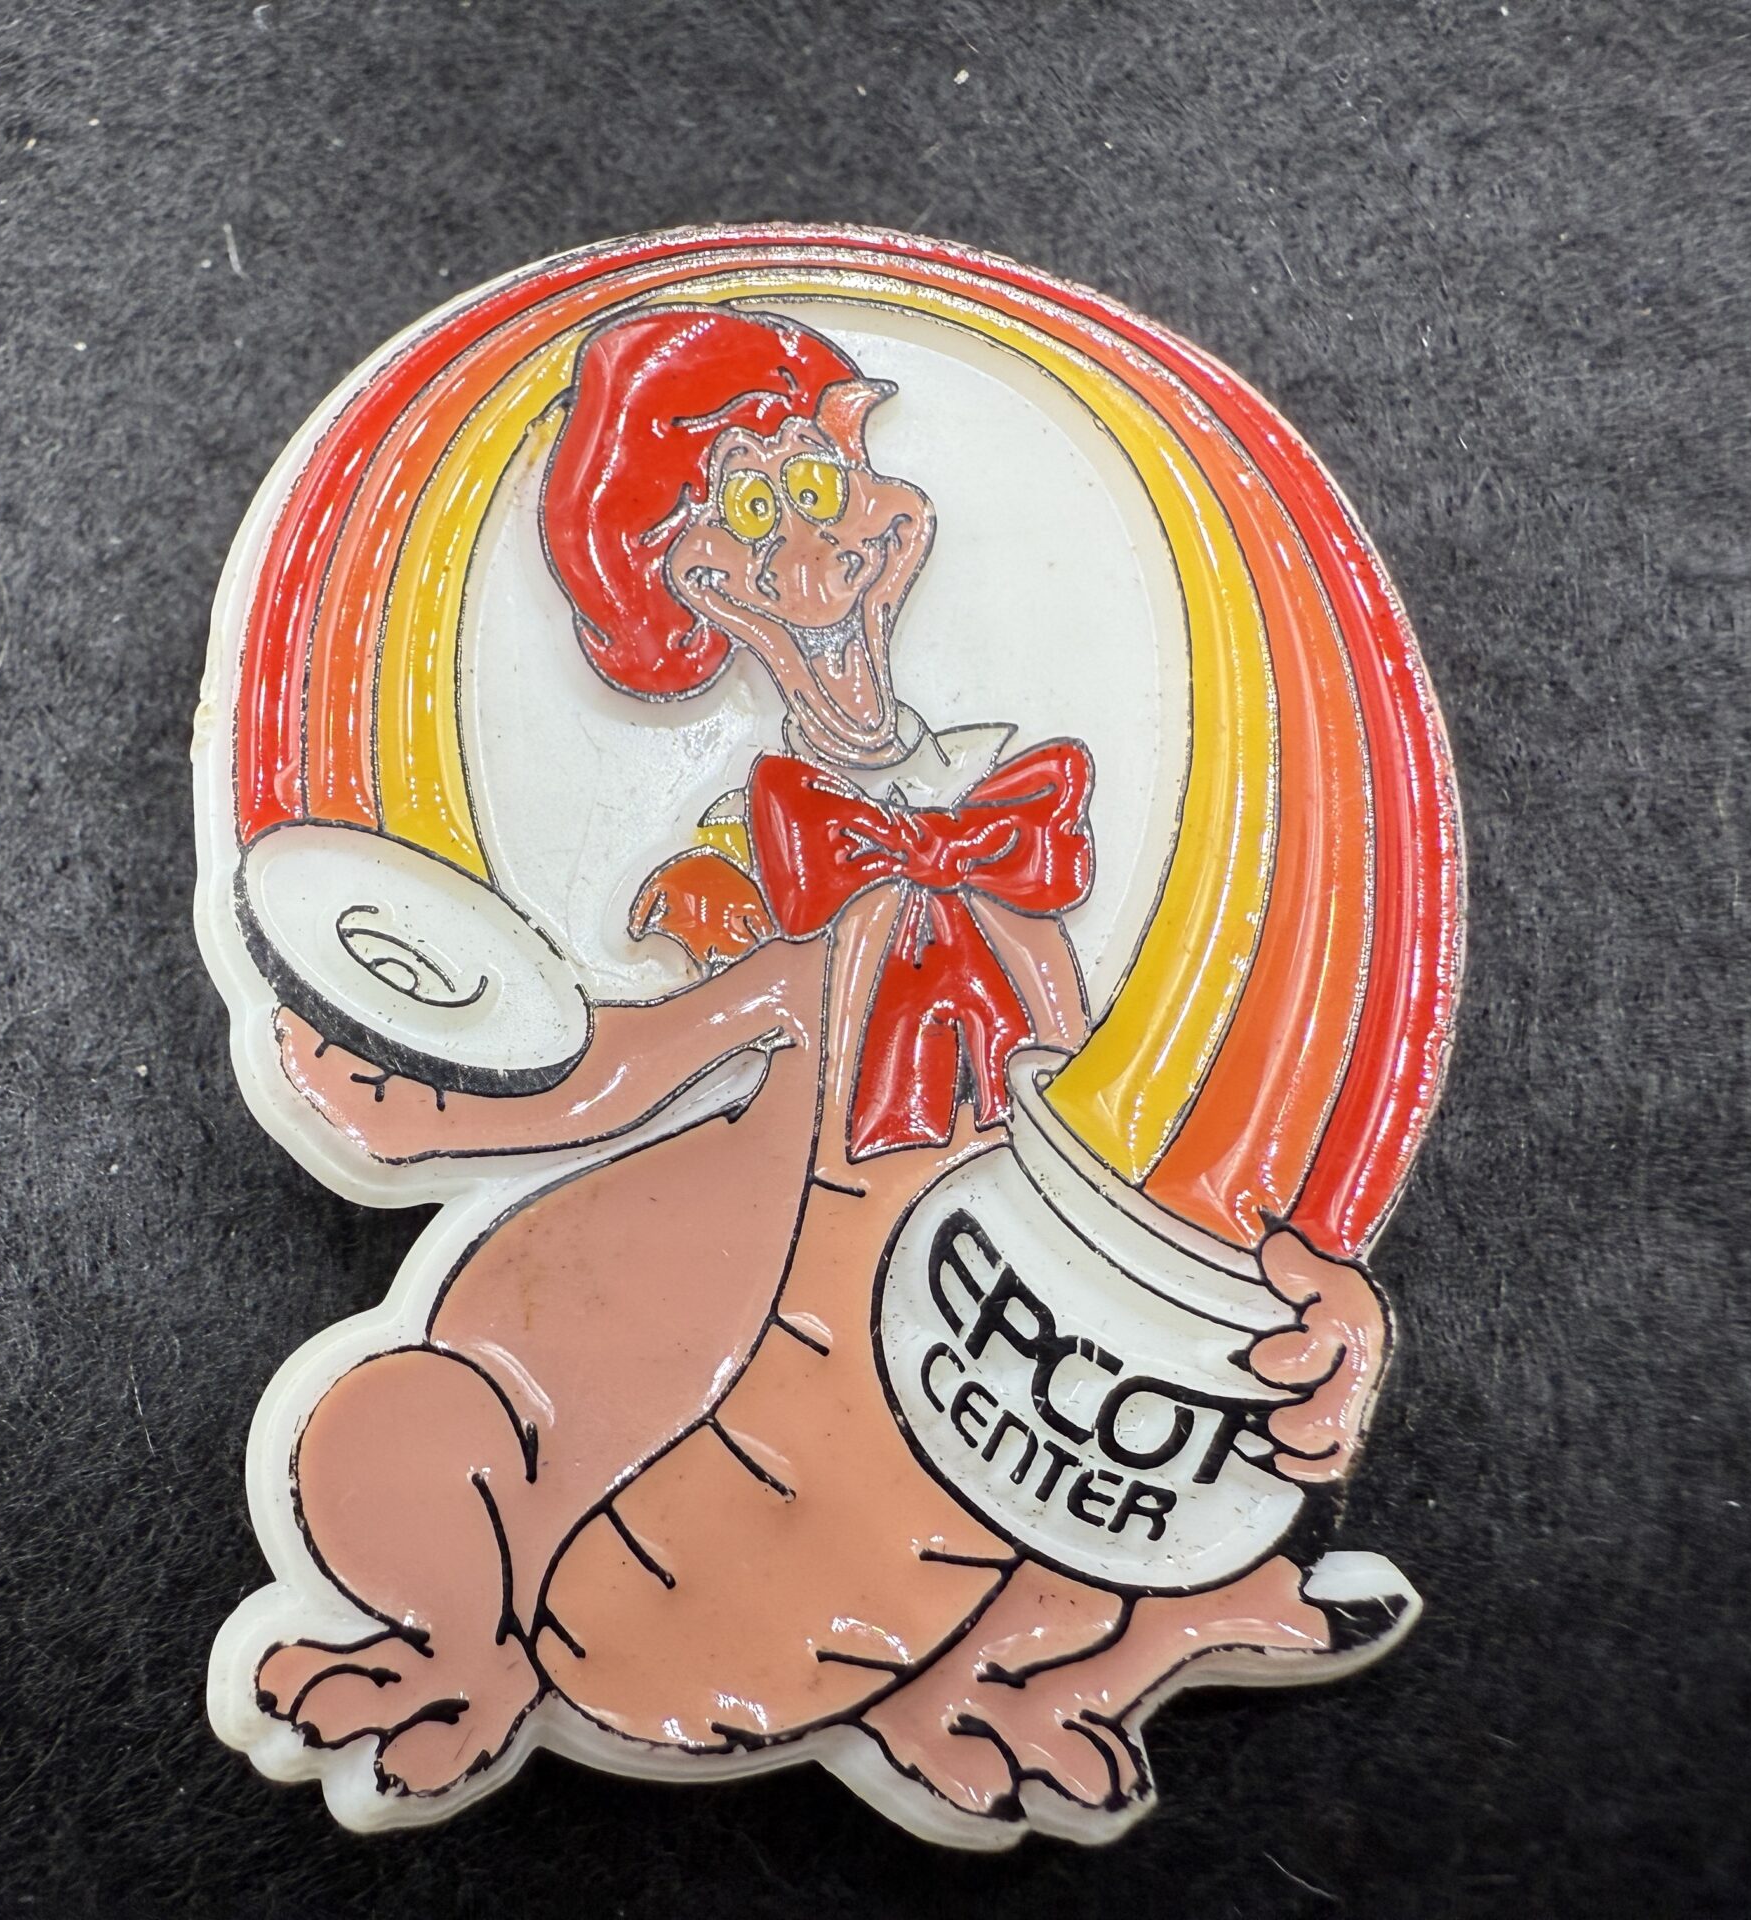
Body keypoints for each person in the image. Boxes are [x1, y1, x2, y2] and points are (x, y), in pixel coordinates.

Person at [250, 307, 1397, 1828]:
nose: (838, 518)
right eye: (767, 499)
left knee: (1077, 1492)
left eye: (830, 467)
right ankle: (472, 1654)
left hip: (938, 1414)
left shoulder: (1005, 841)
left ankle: (1033, 1664)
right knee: (378, 1434)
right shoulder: (747, 886)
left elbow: (1107, 1154)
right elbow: (619, 1071)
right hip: (633, 1458)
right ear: (702, 583)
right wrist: (424, 1103)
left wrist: (1293, 1301)